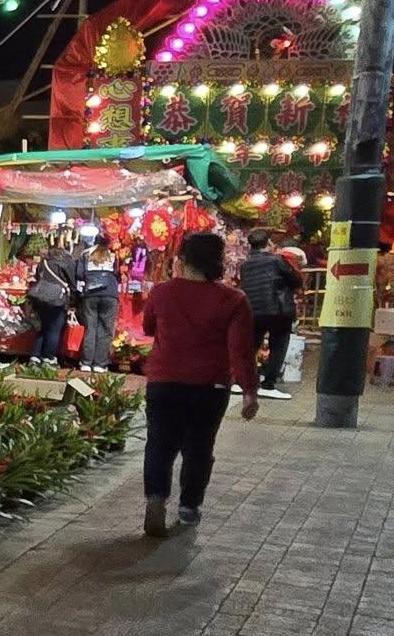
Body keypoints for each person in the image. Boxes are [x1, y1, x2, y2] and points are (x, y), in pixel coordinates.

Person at [141, 231, 257, 536]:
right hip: (210, 385)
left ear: (182, 260)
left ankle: (155, 499)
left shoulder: (161, 293)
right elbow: (240, 350)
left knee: (159, 443)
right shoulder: (234, 299)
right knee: (200, 446)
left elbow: (148, 327)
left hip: (164, 380)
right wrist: (249, 392)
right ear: (219, 262)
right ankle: (189, 507)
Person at [235, 228, 302, 400]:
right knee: (278, 345)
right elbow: (296, 281)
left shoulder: (245, 265)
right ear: (268, 243)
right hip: (278, 310)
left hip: (252, 310)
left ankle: (241, 381)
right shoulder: (277, 260)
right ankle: (268, 384)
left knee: (251, 346)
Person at [26, 230, 78, 363]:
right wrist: (73, 303)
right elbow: (72, 284)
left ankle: (35, 355)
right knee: (55, 328)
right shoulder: (67, 263)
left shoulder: (44, 262)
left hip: (40, 298)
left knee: (42, 327)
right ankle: (49, 357)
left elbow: (38, 278)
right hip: (57, 299)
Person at [77, 236, 121, 372]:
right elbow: (117, 273)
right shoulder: (114, 255)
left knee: (90, 329)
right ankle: (100, 364)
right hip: (109, 294)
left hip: (90, 294)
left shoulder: (85, 254)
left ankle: (86, 362)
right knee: (106, 330)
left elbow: (79, 274)